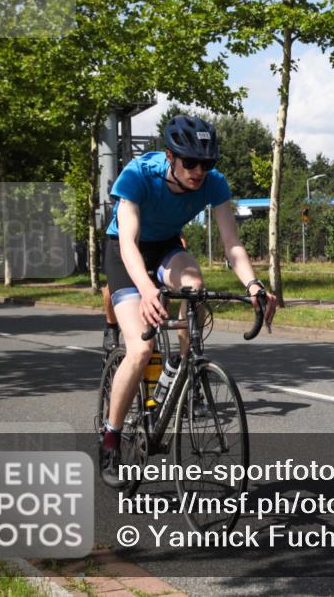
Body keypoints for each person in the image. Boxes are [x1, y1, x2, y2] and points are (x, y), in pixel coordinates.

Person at [99, 114, 276, 488]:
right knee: (140, 350)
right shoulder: (138, 174)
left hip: (165, 247)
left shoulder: (213, 184)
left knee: (195, 285)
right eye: (190, 162)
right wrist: (147, 290)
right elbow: (128, 242)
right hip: (125, 251)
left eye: (206, 164)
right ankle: (112, 435)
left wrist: (254, 285)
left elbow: (232, 244)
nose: (199, 172)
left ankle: (179, 367)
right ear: (170, 156)